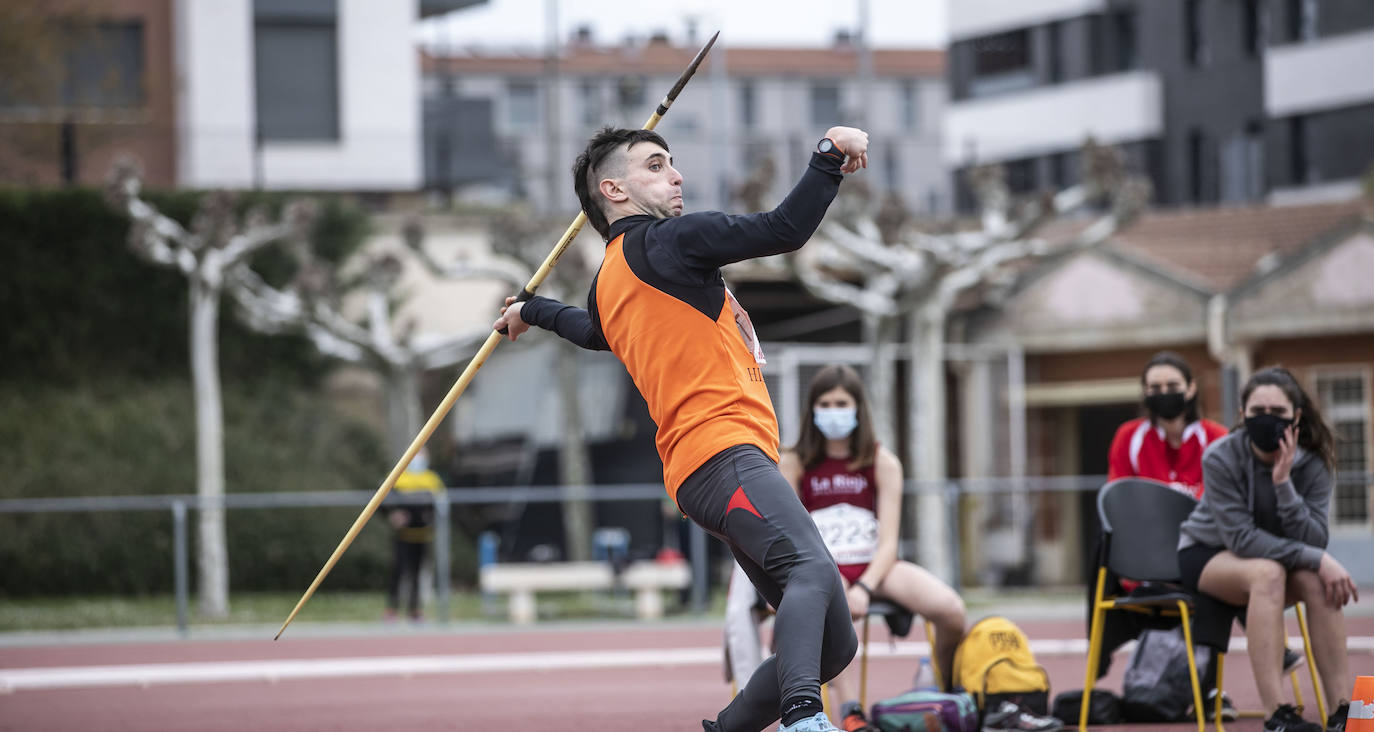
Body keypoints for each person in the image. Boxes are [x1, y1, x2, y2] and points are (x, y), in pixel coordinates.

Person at [494, 124, 871, 732]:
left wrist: (528, 310)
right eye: (655, 165)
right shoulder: (672, 241)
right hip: (724, 455)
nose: (676, 175)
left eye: (672, 163)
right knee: (809, 570)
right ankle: (805, 718)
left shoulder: (610, 282)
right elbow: (783, 229)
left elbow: (592, 334)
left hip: (708, 470)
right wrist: (828, 155)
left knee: (834, 646)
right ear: (613, 189)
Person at [779, 364, 966, 731]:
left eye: (842, 403)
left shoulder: (882, 462)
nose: (834, 411)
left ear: (858, 407)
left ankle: (946, 689)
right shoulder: (794, 461)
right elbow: (792, 534)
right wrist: (837, 582)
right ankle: (851, 712)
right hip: (822, 568)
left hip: (877, 566)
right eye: (826, 403)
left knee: (951, 610)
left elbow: (889, 540)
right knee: (833, 613)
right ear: (813, 409)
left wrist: (865, 585)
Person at [1177, 366, 1358, 732]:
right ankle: (1276, 714)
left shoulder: (1314, 461)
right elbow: (1242, 540)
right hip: (1209, 554)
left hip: (1275, 557)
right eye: (1257, 412)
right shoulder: (1220, 456)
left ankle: (1348, 711)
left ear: (1297, 416)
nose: (1267, 420)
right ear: (1242, 415)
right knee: (1269, 573)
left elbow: (1314, 538)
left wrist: (1283, 484)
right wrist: (1320, 559)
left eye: (1277, 413)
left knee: (1320, 581)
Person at [384, 448, 444, 622]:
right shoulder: (397, 476)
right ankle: (392, 609)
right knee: (398, 572)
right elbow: (383, 501)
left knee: (417, 574)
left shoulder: (432, 479)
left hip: (422, 536)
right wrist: (393, 514)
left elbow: (440, 505)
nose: (419, 460)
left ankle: (415, 610)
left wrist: (430, 517)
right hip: (402, 536)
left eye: (422, 456)